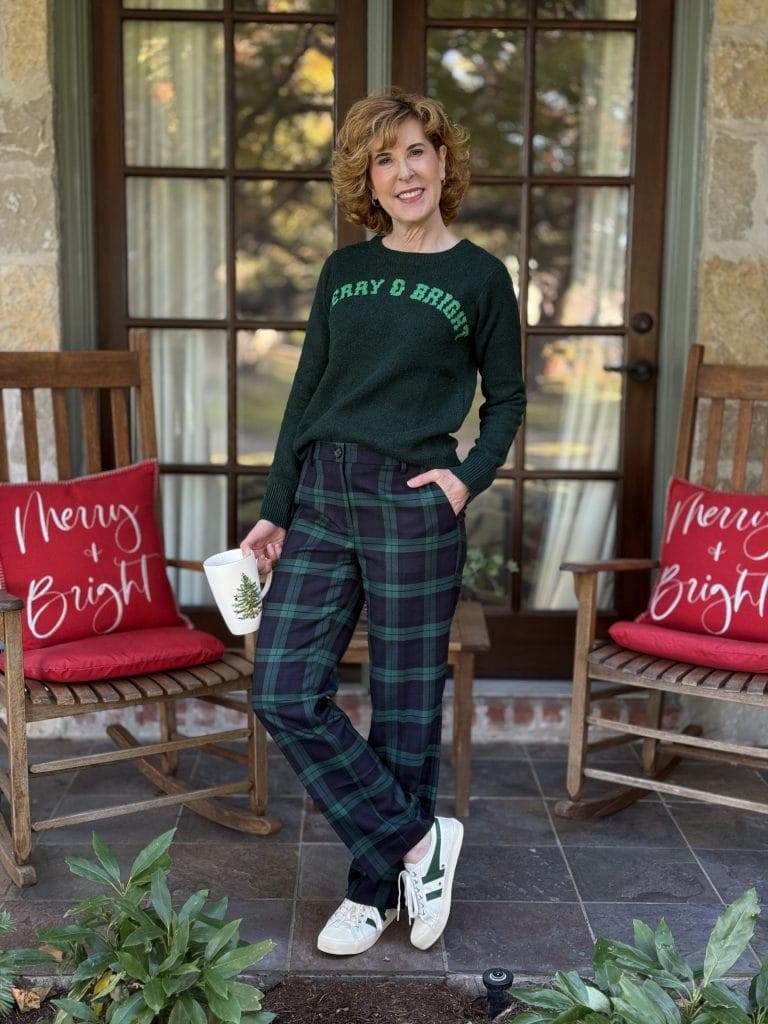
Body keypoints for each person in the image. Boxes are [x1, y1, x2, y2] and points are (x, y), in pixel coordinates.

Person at [241, 86, 526, 956]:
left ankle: (374, 895)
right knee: (283, 689)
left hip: (414, 501)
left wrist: (465, 479)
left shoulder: (479, 276)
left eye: (416, 152)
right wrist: (274, 510)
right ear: (368, 176)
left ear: (444, 162)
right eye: (384, 157)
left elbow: (509, 399)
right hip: (325, 495)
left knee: (405, 706)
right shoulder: (344, 271)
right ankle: (415, 842)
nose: (403, 171)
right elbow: (305, 397)